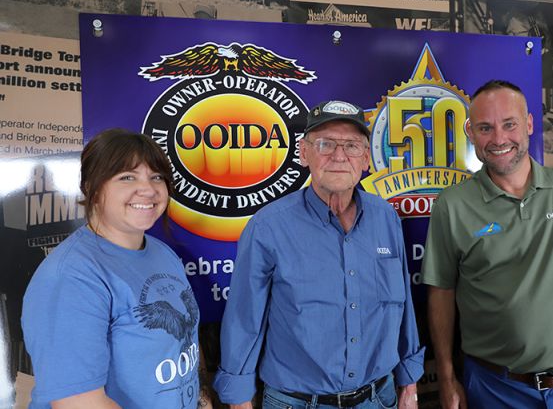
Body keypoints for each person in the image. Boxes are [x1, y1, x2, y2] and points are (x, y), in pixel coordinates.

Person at [421, 80, 553, 409]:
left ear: (529, 124)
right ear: (470, 133)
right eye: (485, 128)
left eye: (510, 124)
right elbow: (441, 292)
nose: (499, 139)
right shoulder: (453, 205)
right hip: (494, 390)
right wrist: (447, 378)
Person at [213, 100, 425, 409]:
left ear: (366, 158)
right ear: (304, 153)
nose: (339, 156)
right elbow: (244, 321)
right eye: (325, 144)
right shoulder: (268, 227)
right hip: (296, 402)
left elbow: (403, 307)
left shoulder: (386, 218)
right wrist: (239, 400)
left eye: (351, 146)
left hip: (379, 397)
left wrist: (410, 382)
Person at [22, 129, 200, 409]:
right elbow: (79, 403)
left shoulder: (162, 253)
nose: (148, 189)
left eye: (157, 177)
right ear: (92, 188)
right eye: (127, 177)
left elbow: (182, 345)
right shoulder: (70, 277)